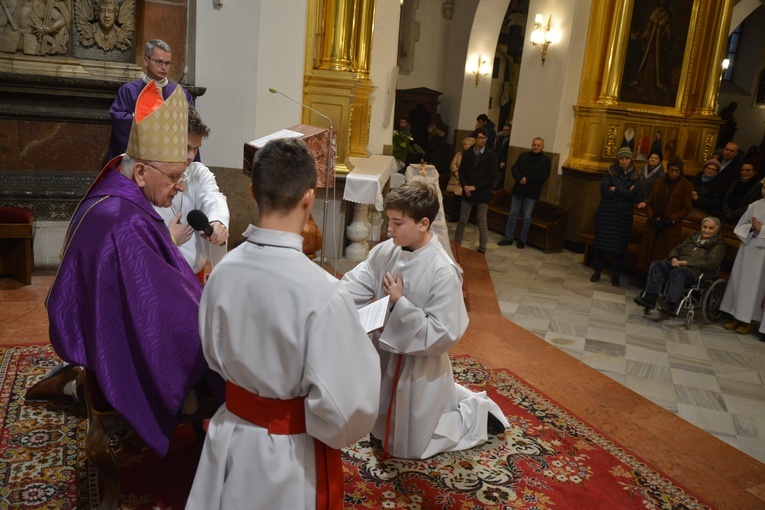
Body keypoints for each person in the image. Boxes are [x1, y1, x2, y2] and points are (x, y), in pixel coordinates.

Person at [186, 138, 380, 509]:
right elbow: (347, 408)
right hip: (286, 455)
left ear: (253, 191)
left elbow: (212, 355)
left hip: (228, 434)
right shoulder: (324, 293)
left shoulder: (222, 271)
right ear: (309, 198)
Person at [34, 82, 224, 457]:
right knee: (222, 359)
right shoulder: (125, 224)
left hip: (96, 326)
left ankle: (72, 382)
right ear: (140, 172)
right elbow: (158, 312)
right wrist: (213, 330)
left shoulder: (115, 194)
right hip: (109, 340)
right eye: (173, 177)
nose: (179, 186)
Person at [341, 181, 509, 460]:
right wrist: (332, 301)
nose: (389, 229)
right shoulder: (387, 251)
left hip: (419, 366)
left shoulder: (443, 270)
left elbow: (444, 333)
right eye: (388, 221)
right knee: (381, 431)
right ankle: (452, 398)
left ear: (423, 223)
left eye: (397, 223)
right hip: (384, 355)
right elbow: (355, 284)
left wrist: (400, 304)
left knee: (411, 447)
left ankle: (477, 413)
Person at [156, 106, 229, 282]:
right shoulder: (150, 177)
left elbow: (214, 197)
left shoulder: (197, 172)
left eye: (195, 149)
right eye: (186, 147)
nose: (190, 156)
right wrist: (170, 238)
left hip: (193, 275)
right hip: (160, 275)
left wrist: (218, 221)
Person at [107, 38, 195, 160]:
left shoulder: (180, 94)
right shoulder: (129, 90)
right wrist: (148, 120)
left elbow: (191, 125)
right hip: (139, 155)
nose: (164, 67)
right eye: (159, 62)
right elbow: (119, 119)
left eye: (167, 63)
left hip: (170, 156)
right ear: (146, 60)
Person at [634, 217, 726, 316]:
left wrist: (687, 263)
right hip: (678, 264)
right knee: (657, 265)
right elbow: (677, 248)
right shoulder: (694, 237)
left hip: (697, 272)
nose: (706, 230)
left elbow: (711, 263)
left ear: (717, 230)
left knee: (678, 272)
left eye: (711, 228)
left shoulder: (719, 245)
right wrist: (674, 258)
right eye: (704, 227)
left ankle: (671, 305)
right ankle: (650, 298)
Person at [719, 180, 765, 336]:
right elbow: (740, 226)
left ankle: (748, 320)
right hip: (747, 249)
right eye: (764, 187)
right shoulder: (755, 205)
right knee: (741, 282)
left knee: (754, 287)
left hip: (762, 256)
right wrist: (751, 227)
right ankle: (735, 317)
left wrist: (762, 229)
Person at [591, 146, 640, 287]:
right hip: (607, 214)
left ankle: (616, 275)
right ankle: (597, 271)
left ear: (630, 160)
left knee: (620, 248)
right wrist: (624, 193)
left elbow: (633, 195)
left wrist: (616, 189)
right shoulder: (610, 171)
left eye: (627, 159)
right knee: (601, 245)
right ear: (617, 159)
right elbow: (605, 191)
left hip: (623, 217)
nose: (624, 162)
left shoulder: (636, 174)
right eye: (621, 159)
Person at [636, 156, 693, 272]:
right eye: (671, 170)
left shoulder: (686, 185)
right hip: (654, 223)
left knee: (661, 256)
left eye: (677, 171)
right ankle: (646, 280)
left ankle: (657, 283)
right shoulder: (658, 182)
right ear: (668, 170)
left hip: (670, 227)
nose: (674, 174)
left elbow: (686, 208)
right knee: (648, 254)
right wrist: (650, 216)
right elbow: (650, 202)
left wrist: (671, 220)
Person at [497, 137, 551, 249]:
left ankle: (522, 240)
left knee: (526, 217)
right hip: (518, 189)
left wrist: (527, 179)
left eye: (538, 145)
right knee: (512, 214)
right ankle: (508, 238)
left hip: (532, 192)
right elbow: (514, 168)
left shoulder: (546, 160)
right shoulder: (523, 156)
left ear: (542, 147)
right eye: (534, 145)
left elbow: (542, 176)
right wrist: (520, 177)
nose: (536, 147)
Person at [454, 127, 498, 254]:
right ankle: (457, 244)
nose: (482, 140)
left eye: (484, 138)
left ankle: (482, 247)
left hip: (482, 192)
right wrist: (465, 186)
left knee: (482, 222)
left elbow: (492, 176)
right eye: (480, 138)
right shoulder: (468, 153)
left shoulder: (491, 155)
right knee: (462, 220)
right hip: (468, 191)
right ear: (475, 139)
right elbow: (462, 171)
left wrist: (475, 187)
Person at [404, 160, 456, 262]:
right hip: (417, 202)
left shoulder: (433, 172)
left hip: (429, 202)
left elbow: (437, 192)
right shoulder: (410, 170)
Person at [445, 137, 474, 221]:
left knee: (463, 201)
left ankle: (462, 218)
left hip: (465, 182)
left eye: (469, 144)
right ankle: (455, 215)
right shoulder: (459, 154)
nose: (467, 146)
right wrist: (456, 172)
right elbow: (453, 164)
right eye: (465, 144)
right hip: (456, 180)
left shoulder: (472, 156)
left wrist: (462, 176)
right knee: (456, 200)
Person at [494, 123, 511, 187]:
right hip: (496, 160)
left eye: (508, 130)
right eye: (504, 130)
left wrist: (504, 161)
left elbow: (508, 153)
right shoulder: (500, 138)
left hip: (503, 162)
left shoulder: (510, 140)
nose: (505, 132)